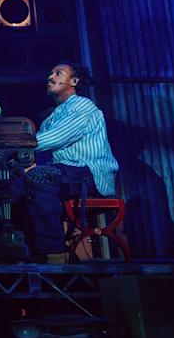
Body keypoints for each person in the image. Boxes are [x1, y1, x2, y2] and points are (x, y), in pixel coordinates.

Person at [23, 62, 119, 262]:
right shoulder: (51, 117)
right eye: (50, 73)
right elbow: (45, 150)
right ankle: (25, 249)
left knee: (40, 177)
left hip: (88, 173)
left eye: (58, 73)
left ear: (74, 81)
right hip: (65, 172)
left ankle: (54, 252)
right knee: (16, 183)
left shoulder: (83, 105)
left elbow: (57, 138)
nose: (51, 77)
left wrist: (17, 144)